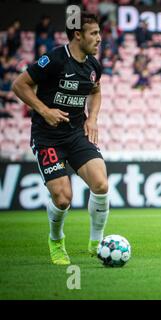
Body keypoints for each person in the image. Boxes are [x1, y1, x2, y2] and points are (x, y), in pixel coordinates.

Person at [12, 12, 109, 265]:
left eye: (99, 33)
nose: (100, 39)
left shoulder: (93, 65)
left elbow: (96, 91)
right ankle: (56, 240)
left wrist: (92, 118)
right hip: (47, 137)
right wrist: (45, 111)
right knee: (63, 198)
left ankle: (96, 242)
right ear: (78, 34)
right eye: (94, 33)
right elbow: (19, 85)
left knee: (101, 184)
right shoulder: (54, 59)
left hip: (77, 133)